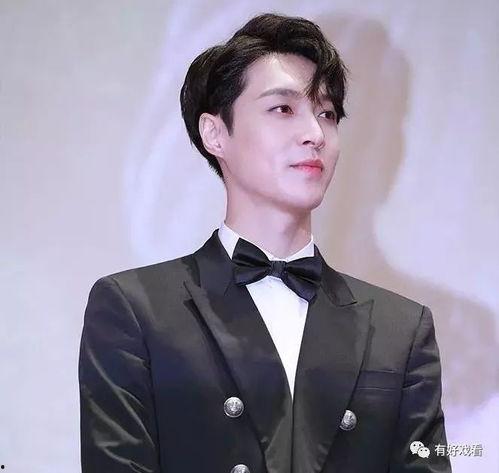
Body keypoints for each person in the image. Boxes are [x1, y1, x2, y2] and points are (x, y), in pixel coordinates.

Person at [78, 13, 451, 473]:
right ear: (215, 133)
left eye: (327, 114)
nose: (315, 134)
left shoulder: (402, 328)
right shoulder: (135, 310)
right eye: (283, 109)